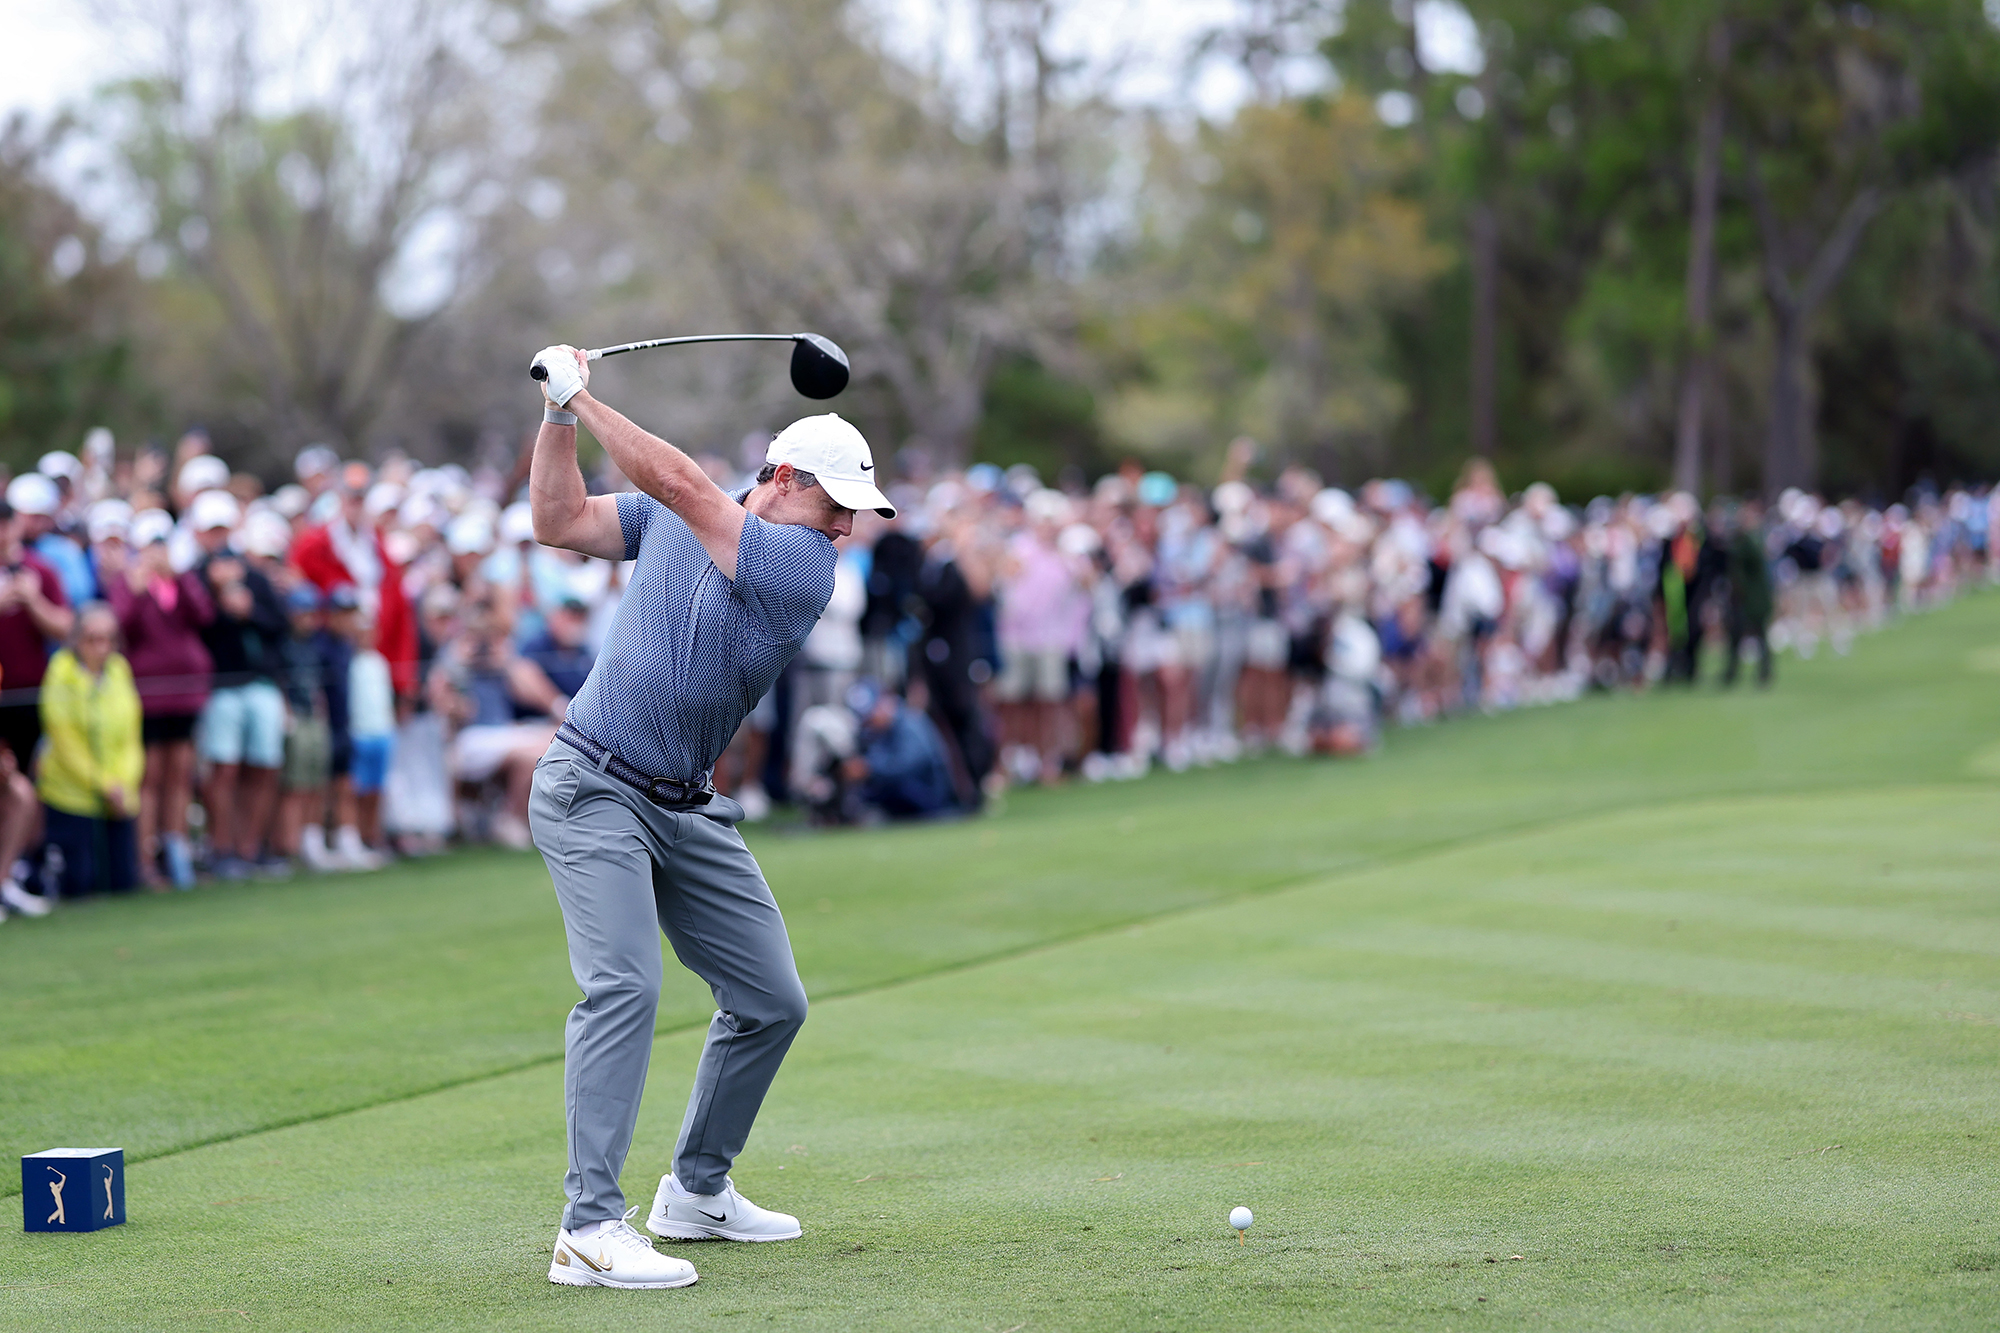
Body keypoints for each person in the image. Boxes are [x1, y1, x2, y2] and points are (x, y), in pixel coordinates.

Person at [526, 345, 892, 1290]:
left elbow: (683, 481)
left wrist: (585, 395)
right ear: (779, 477)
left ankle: (693, 1190)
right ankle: (588, 1227)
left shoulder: (799, 565)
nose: (849, 524)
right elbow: (557, 519)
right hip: (593, 786)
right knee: (625, 988)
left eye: (856, 508)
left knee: (773, 999)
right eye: (837, 501)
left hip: (684, 806)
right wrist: (558, 415)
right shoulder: (681, 519)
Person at [101, 508, 211, 890]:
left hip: (186, 692)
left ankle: (177, 853)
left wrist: (177, 576)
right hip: (147, 693)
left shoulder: (181, 580)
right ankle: (145, 860)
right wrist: (135, 585)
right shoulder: (128, 582)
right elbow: (120, 625)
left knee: (180, 774)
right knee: (148, 777)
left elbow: (203, 614)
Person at [191, 490, 290, 878]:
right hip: (221, 686)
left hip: (261, 683)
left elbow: (279, 625)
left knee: (263, 766)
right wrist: (217, 598)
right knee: (224, 769)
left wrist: (249, 610)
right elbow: (199, 627)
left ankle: (250, 847)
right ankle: (222, 847)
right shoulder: (196, 578)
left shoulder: (254, 576)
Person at [37, 603, 141, 897]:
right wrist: (104, 784)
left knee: (124, 883)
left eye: (109, 639)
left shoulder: (120, 670)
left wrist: (123, 783)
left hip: (118, 796)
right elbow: (65, 741)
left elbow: (131, 736)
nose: (102, 647)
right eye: (93, 639)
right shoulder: (61, 672)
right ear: (77, 640)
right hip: (73, 795)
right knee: (81, 885)